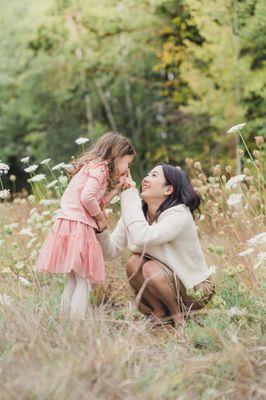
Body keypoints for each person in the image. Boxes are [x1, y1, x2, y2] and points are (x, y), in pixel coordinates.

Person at [96, 164, 215, 326]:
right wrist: (101, 228)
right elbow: (111, 252)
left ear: (168, 189)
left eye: (154, 175)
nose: (145, 178)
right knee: (134, 262)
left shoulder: (179, 214)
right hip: (167, 283)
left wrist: (130, 193)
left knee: (149, 267)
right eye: (147, 173)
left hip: (195, 290)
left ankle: (180, 318)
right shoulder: (137, 213)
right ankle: (159, 313)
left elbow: (142, 238)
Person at [36, 132, 135, 319]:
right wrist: (100, 218)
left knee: (73, 280)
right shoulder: (99, 169)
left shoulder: (94, 169)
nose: (126, 169)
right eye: (127, 164)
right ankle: (76, 327)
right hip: (79, 228)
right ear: (117, 155)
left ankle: (65, 322)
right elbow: (87, 198)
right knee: (83, 280)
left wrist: (115, 189)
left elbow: (97, 201)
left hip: (68, 224)